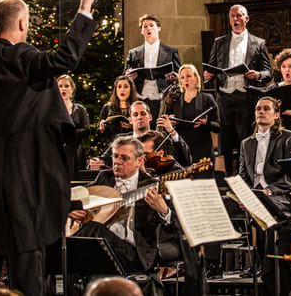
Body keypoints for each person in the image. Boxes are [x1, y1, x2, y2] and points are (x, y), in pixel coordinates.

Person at [0, 0, 104, 295]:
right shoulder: (24, 59)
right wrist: (84, 5)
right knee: (26, 274)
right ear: (23, 23)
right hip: (23, 184)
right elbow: (66, 58)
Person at [69, 136, 176, 296]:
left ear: (139, 161)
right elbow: (80, 197)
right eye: (115, 156)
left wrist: (163, 211)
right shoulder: (104, 178)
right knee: (82, 248)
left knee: (92, 231)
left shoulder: (152, 185)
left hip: (133, 253)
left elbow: (173, 228)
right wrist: (73, 209)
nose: (117, 162)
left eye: (124, 158)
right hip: (102, 250)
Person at [238, 96, 291, 295]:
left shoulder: (288, 137)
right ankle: (259, 265)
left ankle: (270, 271)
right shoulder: (246, 143)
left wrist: (271, 190)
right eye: (258, 108)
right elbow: (242, 175)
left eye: (266, 109)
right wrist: (243, 195)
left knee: (267, 206)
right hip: (256, 195)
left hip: (279, 195)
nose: (261, 112)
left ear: (276, 115)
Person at [204, 4, 272, 174]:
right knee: (225, 142)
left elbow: (268, 72)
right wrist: (207, 76)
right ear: (229, 20)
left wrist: (257, 75)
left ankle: (246, 176)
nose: (236, 19)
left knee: (245, 139)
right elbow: (211, 67)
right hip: (224, 98)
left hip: (246, 99)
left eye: (239, 16)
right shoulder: (219, 42)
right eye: (233, 16)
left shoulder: (258, 43)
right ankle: (228, 177)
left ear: (246, 19)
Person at [93, 101, 192, 169]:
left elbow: (186, 159)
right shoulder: (121, 139)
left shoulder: (162, 138)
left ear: (150, 117)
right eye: (135, 115)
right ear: (130, 120)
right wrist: (97, 161)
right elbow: (105, 159)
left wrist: (172, 132)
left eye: (143, 114)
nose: (139, 117)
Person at [125, 14, 181, 124]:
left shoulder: (171, 51)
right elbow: (125, 75)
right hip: (140, 98)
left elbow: (179, 76)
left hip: (162, 98)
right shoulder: (133, 53)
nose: (148, 28)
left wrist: (172, 76)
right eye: (144, 26)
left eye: (151, 25)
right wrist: (128, 76)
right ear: (141, 31)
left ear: (158, 28)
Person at [160, 64, 220, 162]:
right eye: (182, 77)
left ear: (196, 78)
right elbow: (168, 124)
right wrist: (170, 122)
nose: (185, 80)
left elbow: (218, 126)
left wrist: (206, 123)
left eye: (188, 76)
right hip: (182, 150)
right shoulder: (175, 100)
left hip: (202, 149)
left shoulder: (207, 98)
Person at [58, 75, 91, 179]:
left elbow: (87, 130)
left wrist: (69, 133)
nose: (63, 89)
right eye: (60, 86)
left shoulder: (79, 109)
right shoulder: (51, 110)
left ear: (72, 89)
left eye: (67, 86)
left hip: (75, 152)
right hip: (57, 151)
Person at [98, 75, 138, 142]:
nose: (122, 90)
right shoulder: (107, 108)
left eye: (126, 87)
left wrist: (132, 127)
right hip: (111, 147)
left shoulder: (136, 108)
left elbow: (146, 131)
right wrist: (101, 129)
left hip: (132, 146)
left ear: (131, 89)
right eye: (119, 87)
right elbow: (99, 136)